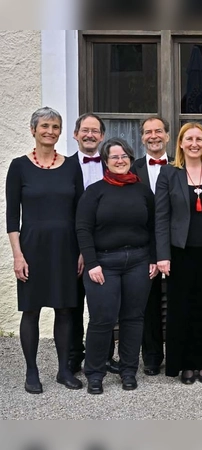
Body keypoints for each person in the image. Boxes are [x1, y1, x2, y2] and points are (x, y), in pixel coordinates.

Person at [6, 107, 84, 394]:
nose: (50, 131)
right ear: (33, 130)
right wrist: (17, 255)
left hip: (66, 248)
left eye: (55, 126)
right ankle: (31, 371)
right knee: (31, 310)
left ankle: (64, 370)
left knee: (65, 310)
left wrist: (82, 252)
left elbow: (80, 214)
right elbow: (12, 217)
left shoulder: (71, 166)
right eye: (45, 126)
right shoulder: (19, 166)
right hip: (32, 248)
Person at [75, 138, 157, 395]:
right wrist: (92, 263)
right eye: (114, 157)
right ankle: (95, 373)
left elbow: (154, 226)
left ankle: (128, 371)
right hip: (104, 264)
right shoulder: (95, 191)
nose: (120, 160)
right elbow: (83, 229)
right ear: (106, 161)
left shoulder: (143, 191)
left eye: (124, 156)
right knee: (102, 319)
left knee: (133, 319)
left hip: (138, 261)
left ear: (131, 160)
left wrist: (153, 258)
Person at [154, 122, 202, 384]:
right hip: (181, 252)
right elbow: (162, 216)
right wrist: (162, 255)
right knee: (182, 309)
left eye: (199, 138)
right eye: (189, 139)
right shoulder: (169, 173)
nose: (194, 143)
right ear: (180, 143)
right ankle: (185, 363)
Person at [68, 113, 113, 375]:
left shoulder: (114, 166)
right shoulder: (64, 166)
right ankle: (74, 357)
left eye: (95, 131)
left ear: (102, 136)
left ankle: (105, 357)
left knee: (105, 306)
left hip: (107, 247)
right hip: (73, 248)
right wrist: (80, 250)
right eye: (85, 130)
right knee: (73, 305)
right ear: (75, 134)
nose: (89, 135)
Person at [130, 115, 170, 376]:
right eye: (148, 132)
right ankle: (152, 357)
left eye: (158, 131)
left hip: (177, 243)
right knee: (149, 303)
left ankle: (180, 353)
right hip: (144, 246)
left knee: (180, 301)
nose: (153, 136)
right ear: (142, 137)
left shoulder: (180, 165)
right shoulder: (131, 169)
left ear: (167, 135)